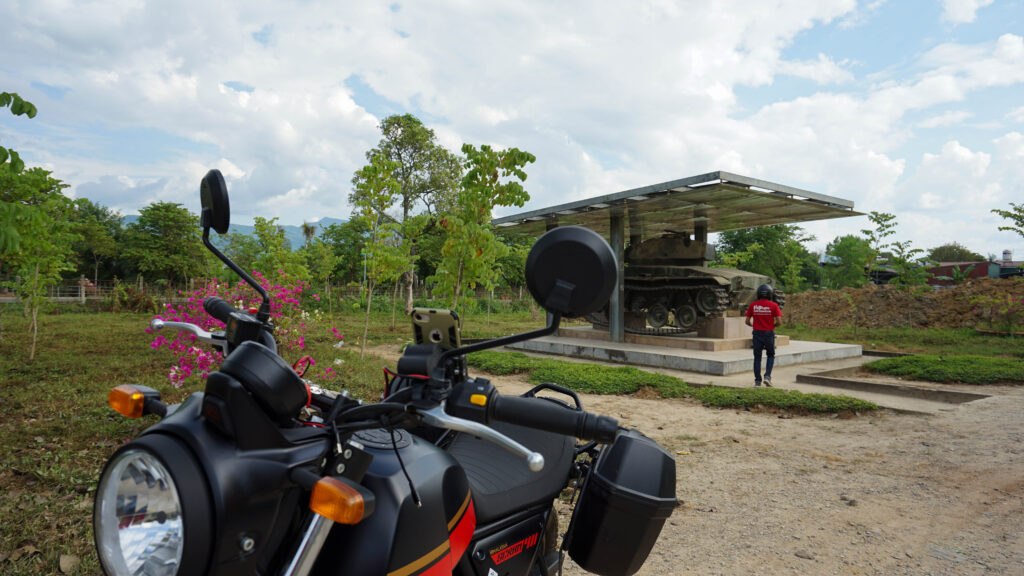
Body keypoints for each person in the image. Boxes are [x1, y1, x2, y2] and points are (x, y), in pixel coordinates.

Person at [745, 284, 782, 387]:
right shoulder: (774, 305)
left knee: (757, 358)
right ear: (770, 294)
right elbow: (779, 322)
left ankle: (757, 381)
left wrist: (755, 326)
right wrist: (772, 326)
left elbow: (747, 321)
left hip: (757, 333)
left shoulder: (753, 305)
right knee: (770, 355)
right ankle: (767, 377)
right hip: (768, 333)